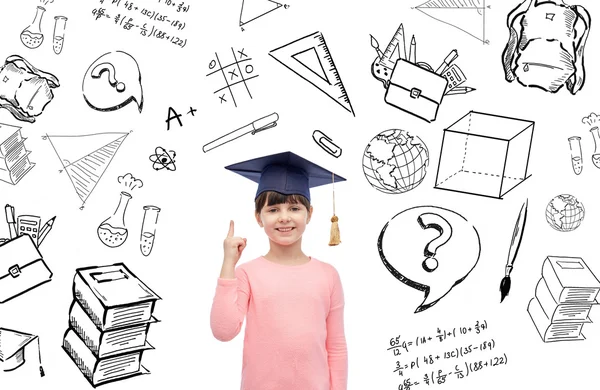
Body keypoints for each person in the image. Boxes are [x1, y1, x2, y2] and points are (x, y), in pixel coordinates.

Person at [210, 151, 348, 390]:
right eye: (273, 210)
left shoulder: (328, 275)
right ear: (258, 217)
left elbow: (336, 346)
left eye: (294, 208)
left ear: (310, 214)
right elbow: (223, 331)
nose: (284, 217)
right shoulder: (246, 274)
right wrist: (228, 266)